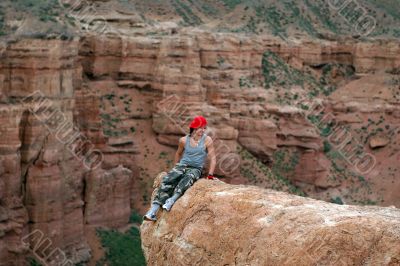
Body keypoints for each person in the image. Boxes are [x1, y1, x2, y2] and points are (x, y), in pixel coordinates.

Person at [144, 115, 217, 221]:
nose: (203, 130)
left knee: (187, 179)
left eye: (204, 128)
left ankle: (171, 201)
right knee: (168, 180)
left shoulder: (207, 140)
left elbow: (213, 158)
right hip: (182, 165)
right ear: (194, 128)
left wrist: (210, 174)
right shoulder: (183, 140)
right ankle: (152, 211)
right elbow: (178, 153)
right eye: (200, 127)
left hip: (195, 168)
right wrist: (176, 168)